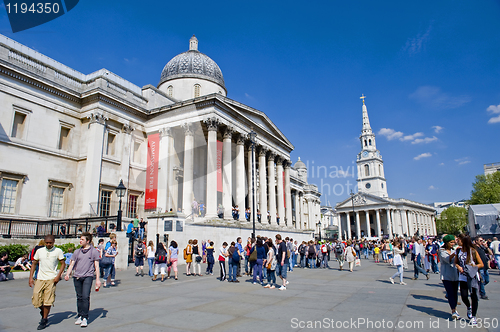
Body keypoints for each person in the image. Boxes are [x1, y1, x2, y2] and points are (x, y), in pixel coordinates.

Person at [28, 235, 65, 330]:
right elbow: (34, 263)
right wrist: (30, 277)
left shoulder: (58, 251)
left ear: (53, 242)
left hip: (51, 278)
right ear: (44, 242)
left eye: (50, 243)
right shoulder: (39, 251)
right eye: (47, 243)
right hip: (40, 277)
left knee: (48, 300)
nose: (48, 244)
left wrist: (58, 276)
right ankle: (43, 311)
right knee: (36, 297)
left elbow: (63, 264)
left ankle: (44, 319)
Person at [64, 232, 101, 328]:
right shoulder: (77, 251)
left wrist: (97, 279)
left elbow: (96, 266)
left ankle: (85, 317)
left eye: (82, 239)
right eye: (80, 239)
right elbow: (71, 264)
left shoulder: (93, 251)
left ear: (88, 241)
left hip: (88, 276)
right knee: (79, 297)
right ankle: (80, 315)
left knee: (85, 297)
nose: (80, 241)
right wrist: (67, 274)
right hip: (77, 277)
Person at [454, 234, 483, 326]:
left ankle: (473, 317)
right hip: (462, 276)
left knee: (474, 296)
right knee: (464, 296)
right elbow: (456, 263)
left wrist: (472, 267)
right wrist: (458, 267)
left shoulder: (473, 251)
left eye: (458, 239)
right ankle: (468, 306)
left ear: (464, 241)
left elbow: (481, 264)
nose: (457, 241)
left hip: (472, 276)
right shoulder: (458, 250)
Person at [439, 234, 460, 320]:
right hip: (446, 275)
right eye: (451, 242)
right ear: (446, 243)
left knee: (455, 293)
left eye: (453, 242)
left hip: (455, 274)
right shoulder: (441, 251)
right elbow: (447, 259)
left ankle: (455, 308)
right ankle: (453, 310)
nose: (453, 244)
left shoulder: (453, 250)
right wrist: (455, 253)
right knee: (450, 293)